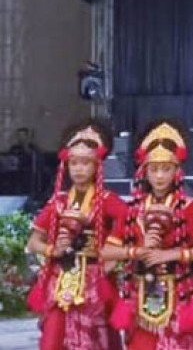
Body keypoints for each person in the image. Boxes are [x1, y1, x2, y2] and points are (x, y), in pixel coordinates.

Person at [102, 120, 193, 350]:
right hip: (140, 291)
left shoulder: (189, 208)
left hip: (179, 291)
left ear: (177, 171)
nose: (160, 176)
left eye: (166, 169)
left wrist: (171, 255)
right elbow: (107, 250)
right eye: (154, 169)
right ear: (145, 171)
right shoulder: (132, 209)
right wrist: (136, 251)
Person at [26, 119, 126, 350]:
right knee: (55, 334)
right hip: (61, 279)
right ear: (66, 166)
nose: (79, 169)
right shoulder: (58, 202)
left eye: (85, 163)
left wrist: (112, 251)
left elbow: (131, 224)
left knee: (95, 336)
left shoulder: (107, 201)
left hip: (94, 280)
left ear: (97, 166)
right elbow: (33, 242)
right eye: (74, 163)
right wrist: (52, 250)